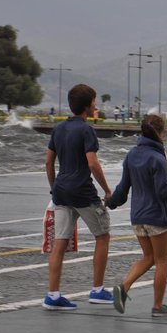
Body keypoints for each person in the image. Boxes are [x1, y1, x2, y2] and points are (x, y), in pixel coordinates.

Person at [43, 84, 114, 310]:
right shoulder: (86, 130)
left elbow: (48, 162)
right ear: (88, 105)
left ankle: (52, 295)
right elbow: (92, 163)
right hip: (83, 192)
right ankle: (97, 290)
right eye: (94, 101)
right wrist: (107, 190)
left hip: (61, 191)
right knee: (102, 236)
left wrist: (54, 187)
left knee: (59, 242)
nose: (96, 105)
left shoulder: (59, 128)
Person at [107, 114, 167, 317]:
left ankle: (124, 287)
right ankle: (158, 306)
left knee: (149, 257)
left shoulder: (131, 154)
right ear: (160, 133)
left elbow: (123, 188)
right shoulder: (158, 157)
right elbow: (162, 191)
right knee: (162, 260)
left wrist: (111, 203)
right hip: (156, 216)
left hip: (137, 216)